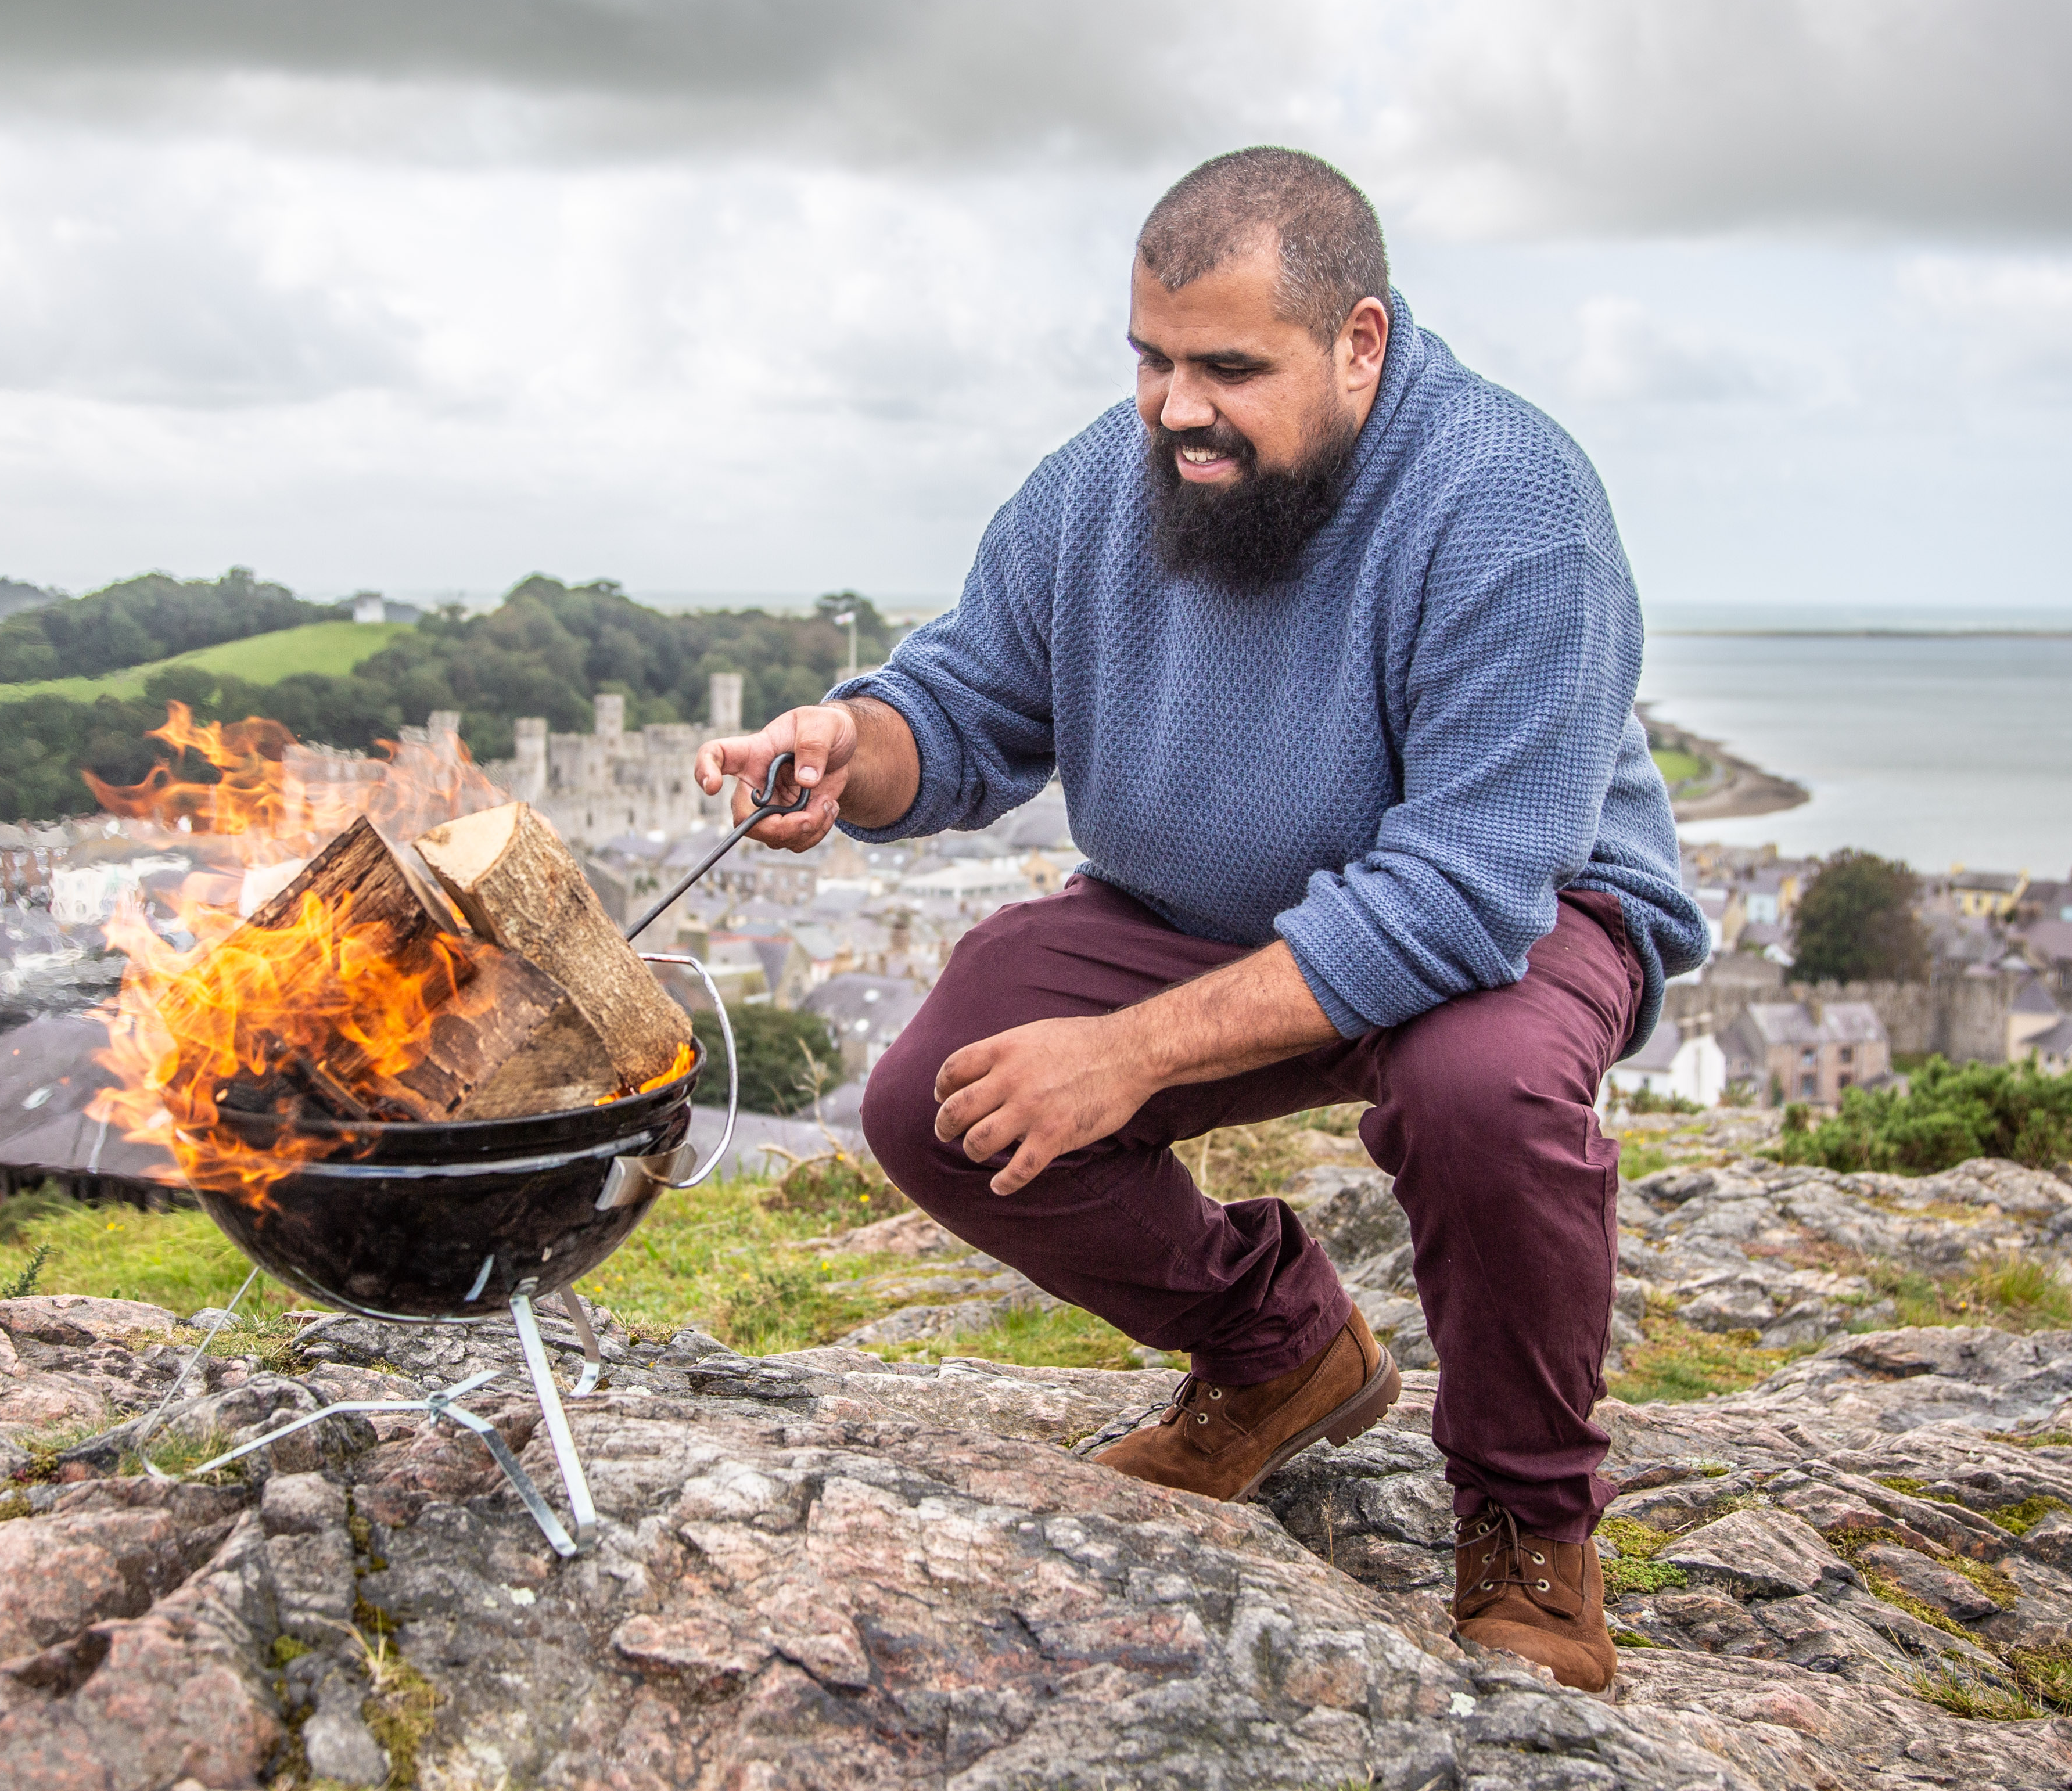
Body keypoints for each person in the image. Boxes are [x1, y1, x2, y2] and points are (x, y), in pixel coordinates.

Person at [692, 147, 1709, 1695]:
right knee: (937, 1099)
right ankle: (1281, 1349)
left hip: (1514, 916)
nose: (1177, 408)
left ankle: (1528, 1522)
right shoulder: (1103, 485)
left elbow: (1461, 894)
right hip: (1212, 911)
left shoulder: (1513, 506)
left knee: (1478, 1091)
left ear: (1359, 343)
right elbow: (958, 705)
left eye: (1230, 368)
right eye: (1153, 360)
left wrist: (1128, 1054)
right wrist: (849, 747)